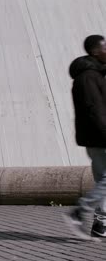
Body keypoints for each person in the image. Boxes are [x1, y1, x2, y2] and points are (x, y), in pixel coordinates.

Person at [65, 35, 106, 240]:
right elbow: (95, 110)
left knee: (102, 181)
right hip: (101, 136)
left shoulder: (94, 74)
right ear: (95, 51)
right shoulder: (89, 76)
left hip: (94, 138)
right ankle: (80, 211)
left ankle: (101, 225)